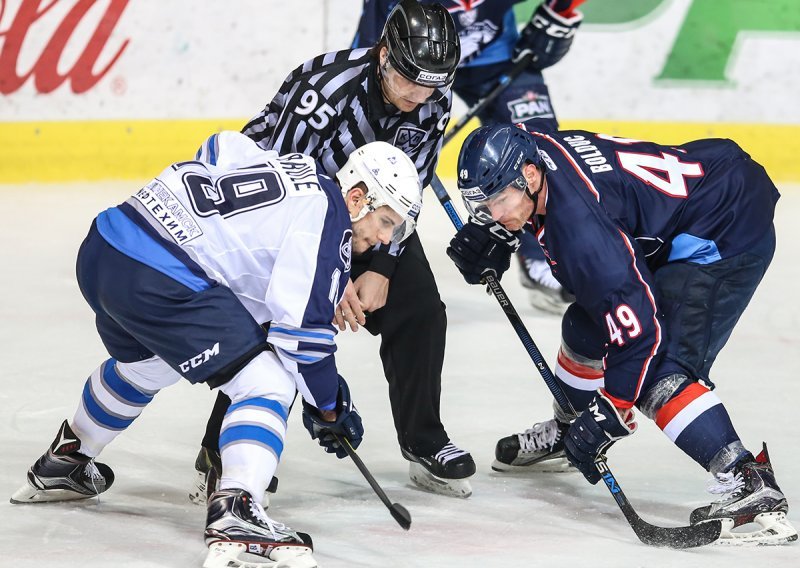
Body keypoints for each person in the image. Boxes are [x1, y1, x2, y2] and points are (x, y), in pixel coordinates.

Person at [10, 132, 424, 567]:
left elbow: (219, 145)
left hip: (107, 245)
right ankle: (239, 510)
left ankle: (68, 458)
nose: (382, 238)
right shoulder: (330, 217)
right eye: (385, 222)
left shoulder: (292, 167)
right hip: (160, 273)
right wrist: (330, 409)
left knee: (150, 365)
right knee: (269, 382)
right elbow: (301, 339)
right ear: (357, 197)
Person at [445, 123, 797, 545]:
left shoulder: (583, 235)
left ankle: (749, 481)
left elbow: (640, 334)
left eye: (499, 202)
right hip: (694, 195)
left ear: (531, 176)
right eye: (483, 206)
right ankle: (567, 428)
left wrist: (610, 412)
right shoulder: (529, 149)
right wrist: (496, 229)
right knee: (584, 326)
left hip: (725, 225)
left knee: (658, 367)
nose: (493, 214)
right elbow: (523, 129)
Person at [193, 0, 474, 500]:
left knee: (422, 310)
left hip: (367, 217)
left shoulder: (434, 98)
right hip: (281, 219)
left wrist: (384, 266)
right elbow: (272, 192)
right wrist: (329, 273)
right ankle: (221, 452)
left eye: (431, 83)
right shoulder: (322, 89)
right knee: (270, 322)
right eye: (410, 79)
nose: (418, 95)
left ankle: (423, 441)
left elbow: (410, 191)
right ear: (384, 54)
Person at [352, 0, 585, 314]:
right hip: (414, 59)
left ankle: (541, 256)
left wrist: (561, 11)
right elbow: (373, 53)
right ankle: (358, 249)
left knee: (539, 146)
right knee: (372, 144)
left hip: (494, 56)